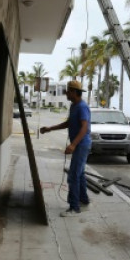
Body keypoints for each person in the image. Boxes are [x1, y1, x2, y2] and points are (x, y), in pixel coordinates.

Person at [39, 80, 91, 217]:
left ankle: (74, 207)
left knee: (73, 175)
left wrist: (73, 144)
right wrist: (50, 128)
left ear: (74, 92)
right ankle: (83, 200)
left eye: (68, 91)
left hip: (82, 144)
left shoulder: (82, 107)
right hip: (79, 144)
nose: (66, 93)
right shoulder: (74, 106)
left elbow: (84, 127)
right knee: (79, 173)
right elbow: (69, 123)